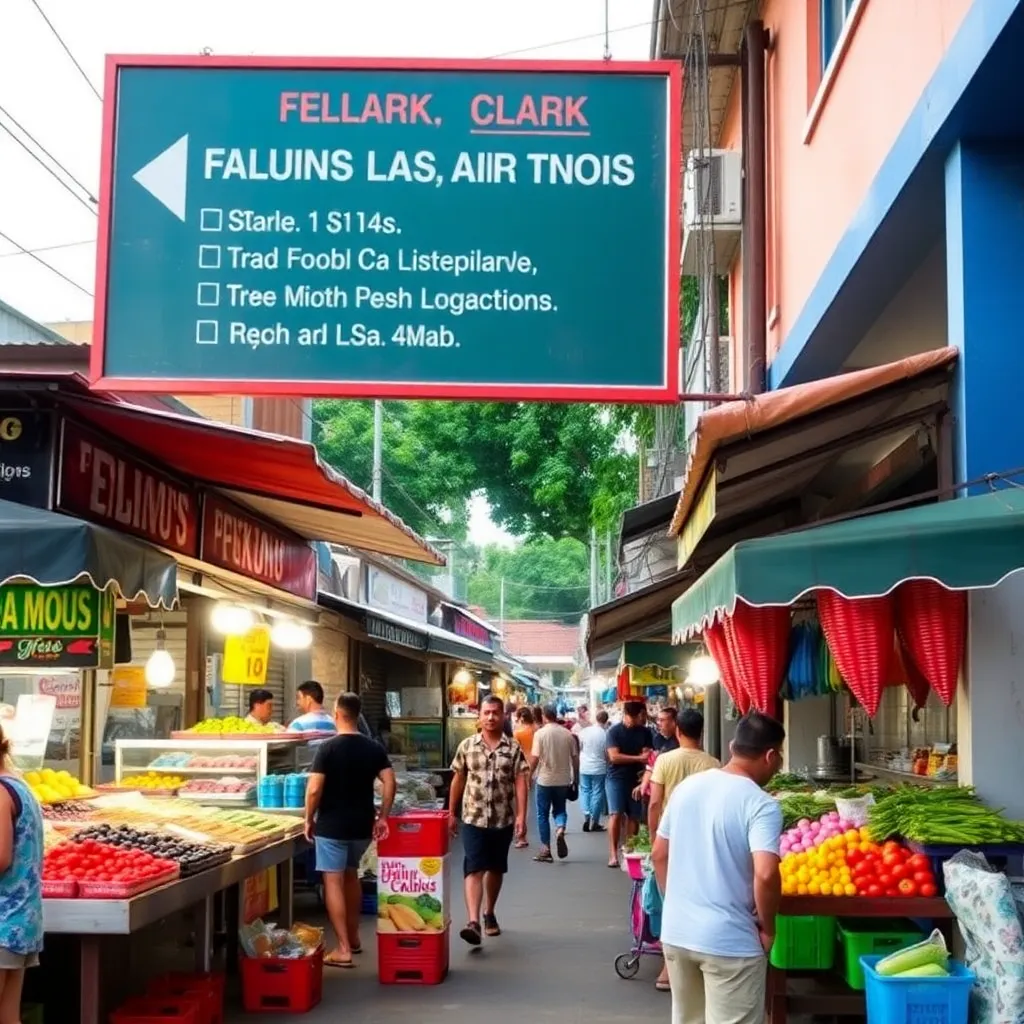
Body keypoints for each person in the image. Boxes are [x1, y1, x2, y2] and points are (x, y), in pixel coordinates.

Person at [651, 712, 785, 1024]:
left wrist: (678, 904)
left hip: (678, 933)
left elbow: (659, 854)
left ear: (731, 746)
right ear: (770, 755)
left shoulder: (686, 788)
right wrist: (768, 928)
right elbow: (766, 873)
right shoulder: (761, 804)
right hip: (730, 941)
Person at [305, 692, 396, 968]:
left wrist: (308, 818)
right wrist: (383, 816)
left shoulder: (328, 748)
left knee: (332, 882)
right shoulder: (373, 748)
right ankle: (354, 939)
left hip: (332, 826)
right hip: (361, 827)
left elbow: (314, 789)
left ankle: (343, 948)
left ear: (336, 714)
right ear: (358, 715)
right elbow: (391, 782)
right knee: (351, 876)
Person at [647, 708, 720, 992]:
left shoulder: (665, 760)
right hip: (701, 842)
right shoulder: (713, 763)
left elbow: (654, 803)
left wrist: (654, 838)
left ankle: (669, 969)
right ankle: (699, 961)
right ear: (701, 732)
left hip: (670, 839)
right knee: (700, 897)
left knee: (670, 899)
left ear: (677, 731)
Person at [449, 694, 529, 945]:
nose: (491, 717)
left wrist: (521, 816)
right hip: (472, 818)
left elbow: (520, 781)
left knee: (495, 868)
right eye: (486, 712)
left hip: (501, 819)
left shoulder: (513, 748)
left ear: (504, 715)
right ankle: (472, 922)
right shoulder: (467, 746)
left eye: (496, 712)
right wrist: (450, 813)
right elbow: (458, 779)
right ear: (479, 716)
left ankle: (489, 912)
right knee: (473, 867)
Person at [0, 723, 43, 1019]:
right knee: (8, 1016)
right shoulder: (20, 786)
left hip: (3, 924)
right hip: (22, 923)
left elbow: (0, 858)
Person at [528, 705, 579, 863]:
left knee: (542, 814)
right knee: (560, 809)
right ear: (555, 715)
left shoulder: (540, 734)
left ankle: (546, 849)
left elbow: (535, 757)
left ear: (544, 716)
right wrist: (575, 778)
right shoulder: (568, 734)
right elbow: (575, 759)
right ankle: (560, 829)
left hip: (544, 779)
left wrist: (529, 775)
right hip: (563, 780)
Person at [605, 700, 651, 868]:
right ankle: (612, 853)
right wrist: (638, 758)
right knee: (615, 814)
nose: (645, 719)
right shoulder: (614, 732)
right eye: (643, 715)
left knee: (634, 815)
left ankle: (629, 850)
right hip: (616, 777)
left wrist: (641, 758)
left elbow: (648, 753)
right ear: (636, 715)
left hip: (637, 778)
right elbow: (614, 757)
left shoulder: (645, 732)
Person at [578, 709, 610, 832]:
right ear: (606, 721)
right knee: (597, 792)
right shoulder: (606, 734)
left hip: (585, 766)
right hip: (599, 767)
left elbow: (580, 747)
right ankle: (594, 821)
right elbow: (607, 753)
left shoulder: (584, 731)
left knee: (585, 790)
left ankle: (586, 814)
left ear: (596, 719)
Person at [512, 708, 537, 849]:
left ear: (521, 717)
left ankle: (522, 836)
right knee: (532, 802)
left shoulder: (519, 732)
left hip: (522, 766)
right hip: (537, 766)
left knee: (521, 803)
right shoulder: (537, 730)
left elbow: (515, 750)